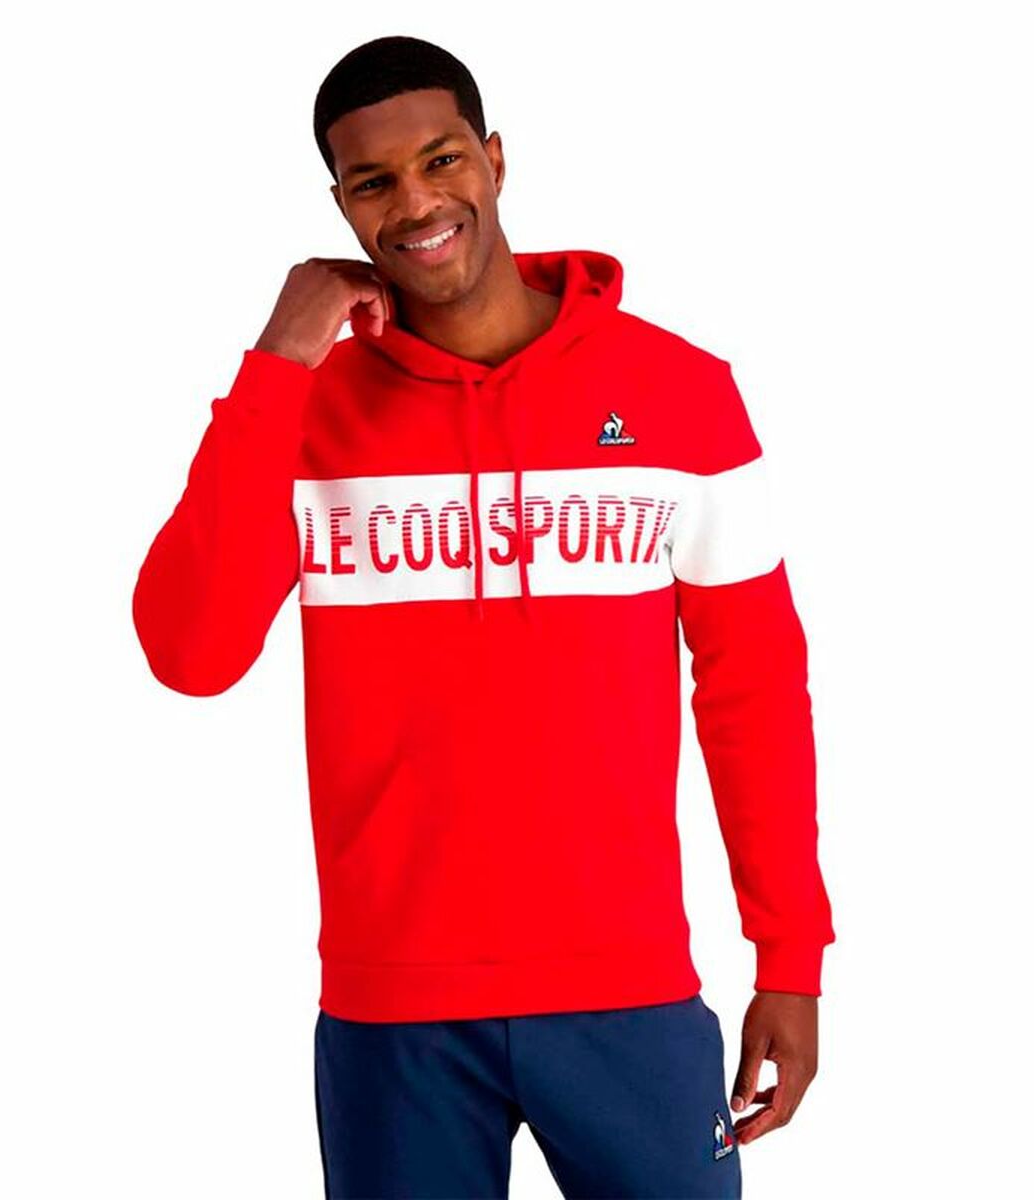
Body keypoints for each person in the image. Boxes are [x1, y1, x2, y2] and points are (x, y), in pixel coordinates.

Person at [132, 33, 835, 1199]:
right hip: (392, 1012)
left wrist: (791, 956)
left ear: (496, 160)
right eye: (373, 181)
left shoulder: (679, 393)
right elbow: (190, 653)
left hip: (630, 993)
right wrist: (278, 360)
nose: (415, 203)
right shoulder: (303, 412)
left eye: (441, 159)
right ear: (341, 205)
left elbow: (754, 688)